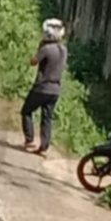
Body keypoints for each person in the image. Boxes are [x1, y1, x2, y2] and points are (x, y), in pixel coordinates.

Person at [21, 18, 68, 156]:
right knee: (47, 118)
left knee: (26, 111)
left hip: (42, 87)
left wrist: (39, 47)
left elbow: (33, 62)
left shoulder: (46, 49)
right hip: (55, 90)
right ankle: (44, 145)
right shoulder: (63, 50)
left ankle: (29, 138)